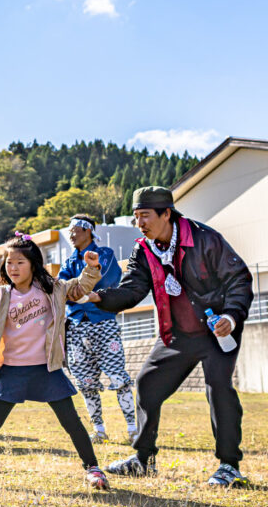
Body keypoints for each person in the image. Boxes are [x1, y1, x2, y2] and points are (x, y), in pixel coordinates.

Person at [84, 187, 254, 486]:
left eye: (145, 216)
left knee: (219, 389)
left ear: (166, 213)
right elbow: (133, 290)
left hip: (216, 330)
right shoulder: (144, 248)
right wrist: (98, 297)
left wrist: (230, 316)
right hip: (176, 333)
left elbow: (238, 277)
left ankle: (229, 466)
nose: (140, 224)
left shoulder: (204, 238)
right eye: (136, 217)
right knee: (147, 384)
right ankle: (143, 460)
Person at [0, 233, 109, 490]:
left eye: (20, 262)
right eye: (9, 263)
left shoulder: (52, 288)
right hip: (12, 369)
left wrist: (91, 268)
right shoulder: (1, 295)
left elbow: (79, 288)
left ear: (33, 263)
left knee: (71, 422)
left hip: (46, 368)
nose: (13, 268)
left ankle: (93, 468)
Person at [58, 215, 138, 444]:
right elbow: (62, 288)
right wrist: (78, 290)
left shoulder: (105, 254)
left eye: (76, 229)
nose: (72, 234)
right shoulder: (69, 261)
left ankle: (133, 428)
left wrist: (80, 290)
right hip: (75, 325)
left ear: (89, 231)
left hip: (102, 321)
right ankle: (99, 429)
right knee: (84, 381)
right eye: (70, 230)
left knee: (117, 375)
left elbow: (108, 282)